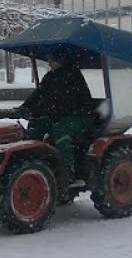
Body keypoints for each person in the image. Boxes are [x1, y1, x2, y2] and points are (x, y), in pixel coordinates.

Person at [19, 48, 94, 176]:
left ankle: (67, 168)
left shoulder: (72, 75)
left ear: (61, 60)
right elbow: (39, 93)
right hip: (60, 115)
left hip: (80, 116)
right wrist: (24, 107)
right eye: (49, 59)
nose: (49, 62)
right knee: (36, 124)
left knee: (60, 129)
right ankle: (31, 159)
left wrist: (38, 110)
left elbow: (60, 101)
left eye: (52, 59)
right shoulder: (50, 76)